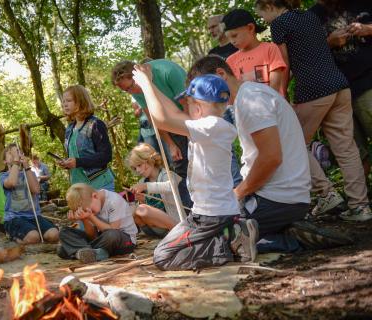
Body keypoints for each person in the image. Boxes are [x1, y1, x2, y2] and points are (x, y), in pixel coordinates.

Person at [186, 55, 354, 251]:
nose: (200, 103)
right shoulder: (246, 98)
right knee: (212, 233)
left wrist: (237, 194)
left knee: (213, 243)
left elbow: (271, 158)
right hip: (279, 198)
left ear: (220, 74)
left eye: (202, 92)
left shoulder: (251, 100)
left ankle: (290, 241)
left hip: (278, 199)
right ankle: (284, 231)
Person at [256, 0, 371, 221]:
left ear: (270, 6)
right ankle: (360, 207)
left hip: (313, 89)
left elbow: (283, 63)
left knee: (292, 144)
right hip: (339, 85)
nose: (264, 21)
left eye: (262, 16)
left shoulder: (280, 24)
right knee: (346, 148)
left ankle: (326, 194)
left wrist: (279, 94)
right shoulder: (309, 16)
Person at [134, 68, 259, 270]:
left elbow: (160, 120)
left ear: (198, 107)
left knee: (163, 257)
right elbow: (172, 112)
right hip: (207, 213)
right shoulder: (213, 126)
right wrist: (151, 83)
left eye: (188, 104)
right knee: (171, 249)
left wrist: (145, 86)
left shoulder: (210, 127)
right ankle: (230, 234)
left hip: (210, 216)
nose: (185, 109)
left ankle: (231, 242)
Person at [310, 0, 372, 221]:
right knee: (353, 151)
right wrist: (330, 41)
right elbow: (307, 54)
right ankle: (360, 204)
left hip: (368, 83)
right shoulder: (314, 14)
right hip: (338, 91)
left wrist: (367, 29)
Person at [112, 59, 192, 208]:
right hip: (171, 125)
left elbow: (188, 103)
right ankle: (190, 212)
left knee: (199, 163)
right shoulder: (137, 91)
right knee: (181, 169)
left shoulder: (166, 71)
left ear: (137, 74)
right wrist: (171, 144)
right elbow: (154, 119)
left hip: (192, 116)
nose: (131, 93)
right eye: (126, 91)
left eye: (130, 87)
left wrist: (190, 136)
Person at [57, 183, 138, 263]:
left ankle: (80, 252)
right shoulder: (92, 205)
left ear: (95, 196)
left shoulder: (114, 200)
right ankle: (92, 253)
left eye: (91, 210)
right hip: (101, 240)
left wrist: (91, 217)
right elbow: (93, 236)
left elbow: (114, 229)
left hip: (125, 241)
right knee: (63, 233)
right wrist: (84, 219)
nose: (90, 212)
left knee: (112, 235)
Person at [58, 85, 115, 191]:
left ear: (80, 101)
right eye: (63, 101)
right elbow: (76, 156)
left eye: (68, 100)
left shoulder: (96, 124)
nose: (64, 104)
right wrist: (67, 163)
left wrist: (78, 162)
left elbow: (106, 156)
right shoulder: (70, 128)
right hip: (79, 188)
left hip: (100, 185)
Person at [1, 143, 59, 244]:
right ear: (5, 161)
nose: (15, 155)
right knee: (33, 237)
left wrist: (26, 166)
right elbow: (12, 182)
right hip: (14, 218)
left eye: (17, 152)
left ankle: (31, 234)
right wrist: (15, 162)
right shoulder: (3, 175)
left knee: (54, 235)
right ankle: (13, 236)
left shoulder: (29, 173)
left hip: (33, 216)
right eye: (11, 153)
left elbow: (36, 190)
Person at [223, 9, 288, 98]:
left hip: (273, 106)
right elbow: (232, 91)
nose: (232, 41)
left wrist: (268, 104)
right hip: (247, 109)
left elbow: (275, 84)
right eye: (229, 38)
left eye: (234, 35)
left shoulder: (270, 49)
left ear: (250, 28)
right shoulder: (230, 60)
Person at [126, 143, 180, 238]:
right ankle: (155, 237)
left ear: (149, 160)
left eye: (139, 165)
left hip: (174, 222)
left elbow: (170, 187)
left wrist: (145, 186)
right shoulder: (142, 181)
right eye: (135, 168)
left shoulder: (166, 174)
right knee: (134, 212)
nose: (137, 170)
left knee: (141, 209)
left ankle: (177, 233)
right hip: (157, 228)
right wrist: (142, 200)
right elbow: (149, 210)